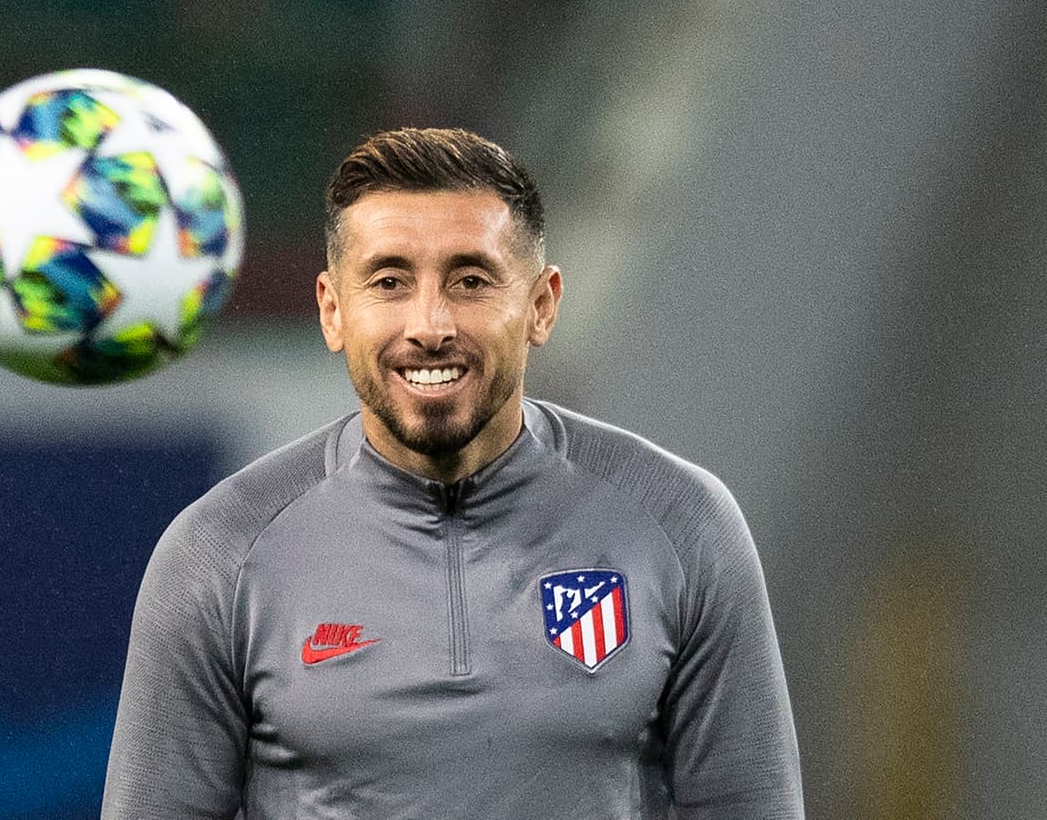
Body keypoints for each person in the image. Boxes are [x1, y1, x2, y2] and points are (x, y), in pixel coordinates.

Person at [101, 128, 803, 818]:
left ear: (541, 305)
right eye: (389, 281)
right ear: (333, 310)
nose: (429, 323)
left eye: (470, 280)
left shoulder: (682, 523)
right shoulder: (219, 553)